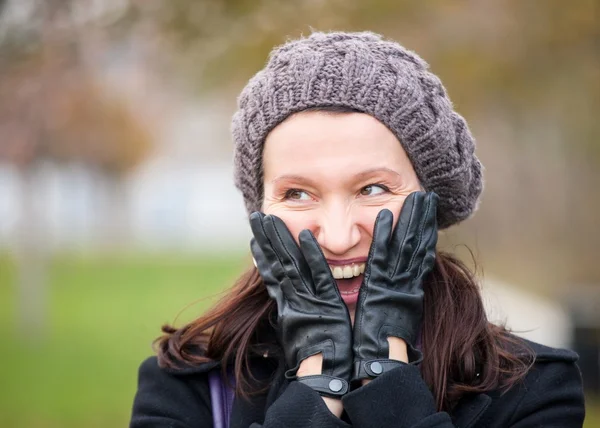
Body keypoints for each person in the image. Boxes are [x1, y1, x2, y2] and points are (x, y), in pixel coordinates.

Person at [130, 31, 585, 427]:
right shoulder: (185, 387)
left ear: (429, 202)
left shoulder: (533, 388)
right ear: (260, 210)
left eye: (371, 188)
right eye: (297, 194)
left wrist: (386, 372)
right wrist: (317, 381)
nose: (337, 236)